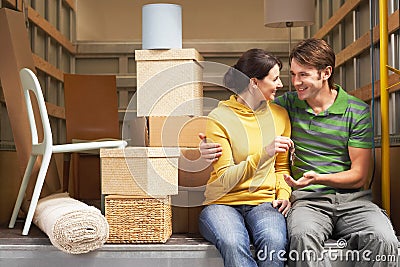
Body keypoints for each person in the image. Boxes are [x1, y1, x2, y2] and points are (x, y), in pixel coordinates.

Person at [199, 38, 399, 266]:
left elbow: (360, 175)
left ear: (326, 73)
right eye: (292, 74)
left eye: (302, 75)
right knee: (301, 239)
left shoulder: (356, 111)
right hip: (307, 201)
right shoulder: (285, 106)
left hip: (353, 201)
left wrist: (318, 178)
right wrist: (205, 149)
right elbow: (245, 109)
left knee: (384, 240)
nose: (294, 83)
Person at [198, 48, 293, 267]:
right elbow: (224, 178)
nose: (280, 85)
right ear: (254, 82)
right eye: (275, 78)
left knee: (275, 241)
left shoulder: (280, 116)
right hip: (222, 204)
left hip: (264, 203)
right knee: (232, 242)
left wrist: (284, 193)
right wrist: (264, 153)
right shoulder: (220, 118)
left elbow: (281, 169)